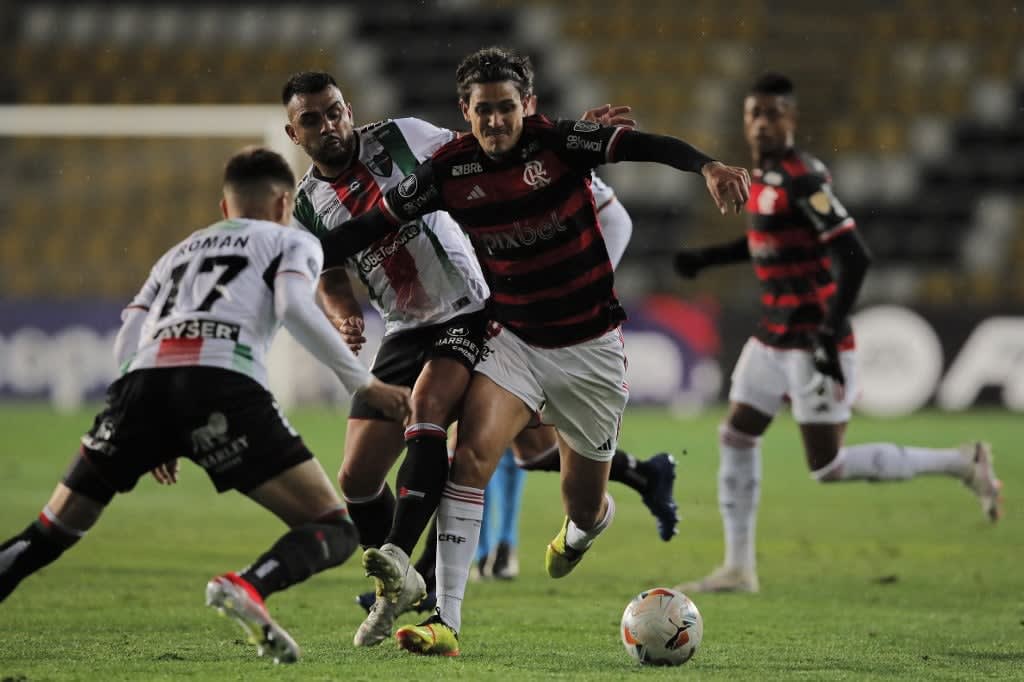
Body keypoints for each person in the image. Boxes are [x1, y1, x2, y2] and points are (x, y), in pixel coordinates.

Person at [320, 46, 750, 656]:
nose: (495, 122)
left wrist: (707, 167)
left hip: (591, 352)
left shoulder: (561, 143)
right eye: (482, 111)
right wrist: (312, 256)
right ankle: (446, 621)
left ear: (528, 105)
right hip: (513, 340)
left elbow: (649, 145)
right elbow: (372, 223)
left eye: (506, 109)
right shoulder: (448, 169)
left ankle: (585, 530)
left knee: (582, 500)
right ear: (465, 113)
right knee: (468, 460)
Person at [0, 147, 412, 664]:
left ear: (225, 208)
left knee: (49, 531)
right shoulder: (293, 240)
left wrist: (150, 429)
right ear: (285, 202)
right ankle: (249, 586)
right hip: (222, 383)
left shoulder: (179, 251)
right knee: (332, 526)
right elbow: (291, 306)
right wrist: (363, 384)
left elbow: (128, 335)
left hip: (139, 387)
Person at [670, 73, 1002, 595]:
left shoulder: (803, 177)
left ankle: (962, 462)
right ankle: (738, 567)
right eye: (753, 113)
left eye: (772, 113)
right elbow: (764, 240)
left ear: (791, 120)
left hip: (812, 340)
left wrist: (827, 330)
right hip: (772, 335)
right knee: (735, 435)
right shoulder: (764, 176)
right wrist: (708, 258)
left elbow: (856, 255)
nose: (761, 123)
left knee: (827, 465)